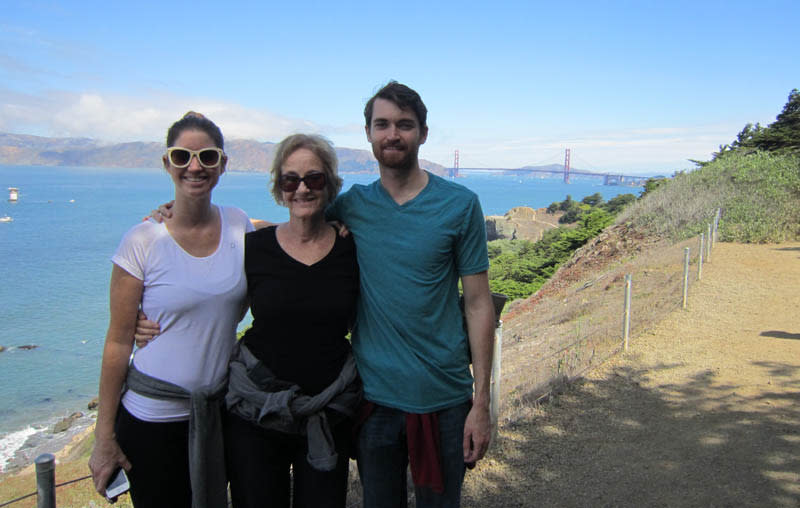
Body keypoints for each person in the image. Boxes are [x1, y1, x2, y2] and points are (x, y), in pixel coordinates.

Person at [137, 134, 362, 508]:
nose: (302, 189)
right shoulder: (253, 246)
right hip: (255, 413)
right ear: (279, 187)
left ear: (330, 184)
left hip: (326, 410)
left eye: (314, 179)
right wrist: (139, 319)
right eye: (291, 180)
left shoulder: (351, 247)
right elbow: (202, 286)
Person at [325, 81, 496, 508]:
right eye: (381, 124)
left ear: (423, 132)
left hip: (446, 400)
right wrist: (182, 219)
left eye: (404, 125)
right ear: (367, 133)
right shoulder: (351, 205)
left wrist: (482, 402)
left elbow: (478, 304)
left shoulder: (460, 204)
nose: (392, 134)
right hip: (375, 401)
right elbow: (295, 233)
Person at [89, 112, 253, 508]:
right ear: (167, 163)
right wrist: (103, 437)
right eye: (182, 156)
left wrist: (335, 224)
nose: (194, 166)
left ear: (223, 165)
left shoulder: (239, 225)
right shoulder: (142, 240)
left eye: (207, 157)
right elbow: (116, 343)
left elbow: (289, 232)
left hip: (218, 416)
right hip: (150, 423)